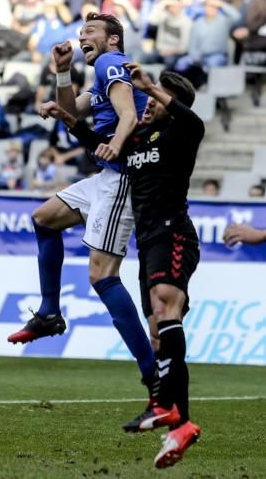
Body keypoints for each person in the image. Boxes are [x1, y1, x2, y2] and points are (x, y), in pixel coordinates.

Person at [49, 66, 204, 469]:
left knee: (164, 304)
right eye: (149, 96)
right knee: (158, 332)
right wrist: (71, 121)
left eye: (157, 98)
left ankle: (163, 405)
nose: (148, 102)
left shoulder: (182, 133)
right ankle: (180, 425)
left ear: (172, 103)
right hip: (149, 240)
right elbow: (103, 145)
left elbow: (193, 118)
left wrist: (152, 85)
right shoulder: (137, 140)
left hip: (176, 234)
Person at [7, 13, 155, 397]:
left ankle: (153, 374)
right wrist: (61, 71)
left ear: (114, 40)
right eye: (80, 32)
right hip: (107, 176)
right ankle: (50, 313)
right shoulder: (102, 74)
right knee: (44, 219)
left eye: (91, 32)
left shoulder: (111, 63)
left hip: (123, 177)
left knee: (102, 277)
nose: (82, 37)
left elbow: (130, 116)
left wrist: (117, 143)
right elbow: (70, 109)